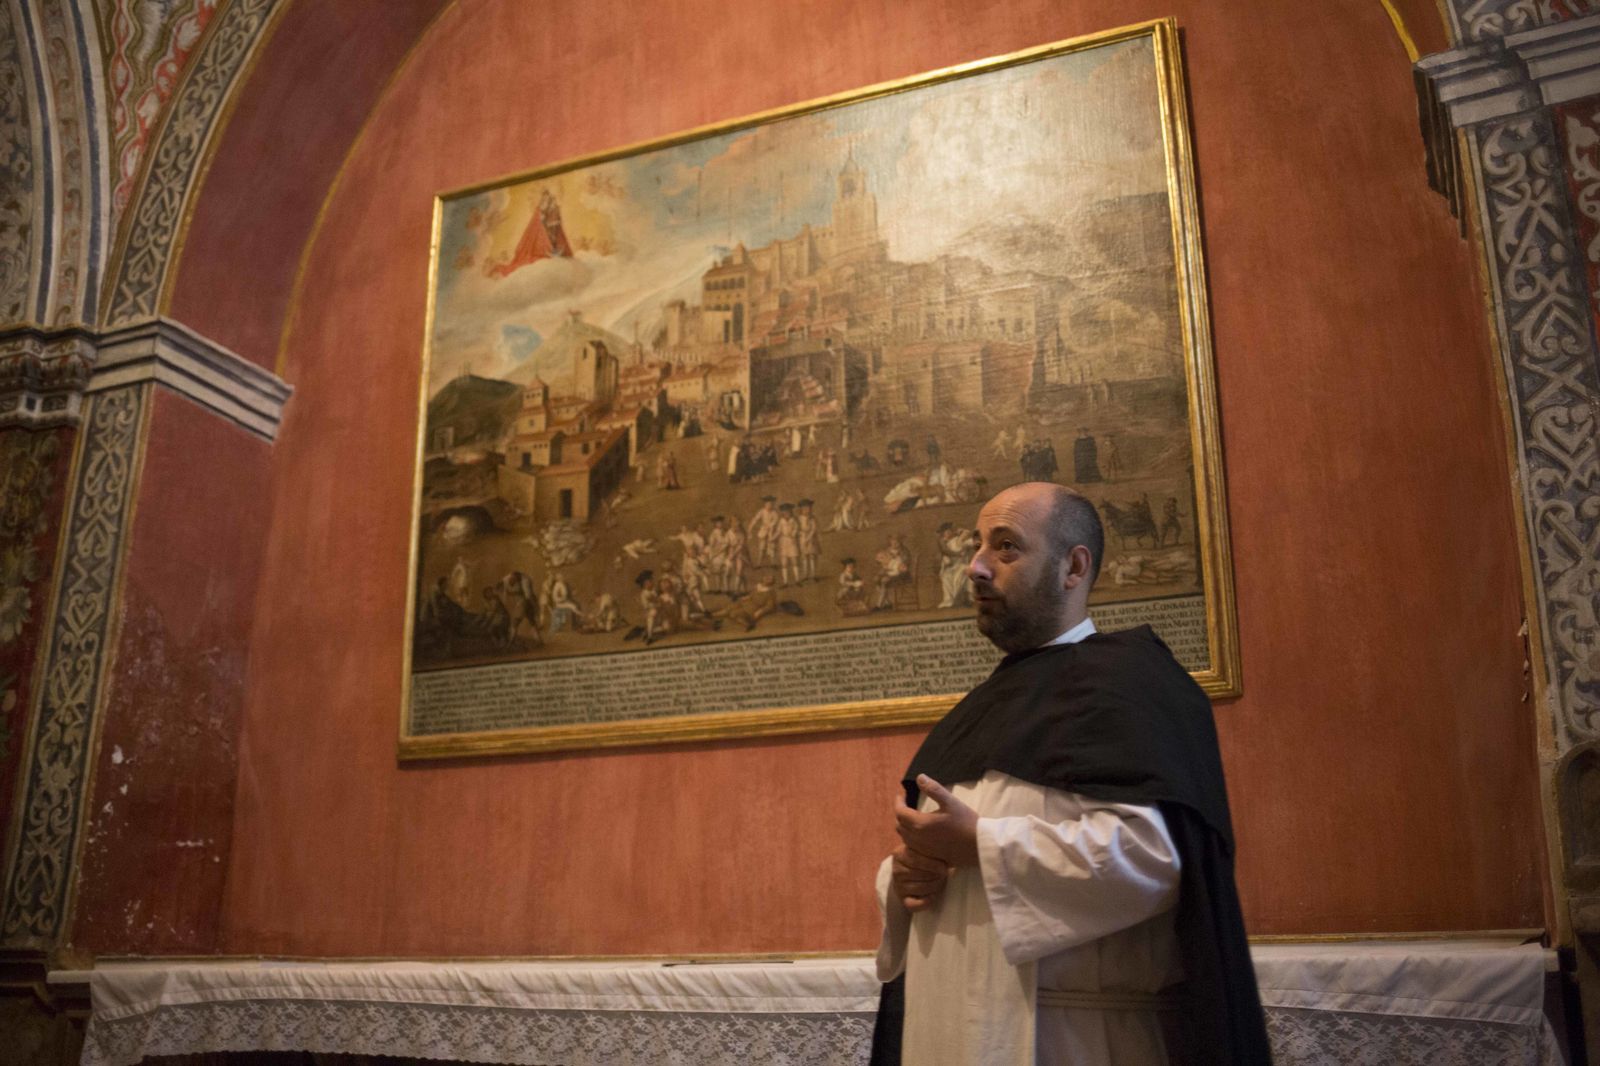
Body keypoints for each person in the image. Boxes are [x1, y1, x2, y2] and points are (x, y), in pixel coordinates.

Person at [869, 482, 1269, 1066]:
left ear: (1073, 566)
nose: (976, 568)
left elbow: (1152, 860)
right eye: (977, 547)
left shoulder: (1132, 683)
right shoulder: (976, 708)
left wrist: (980, 843)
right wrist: (906, 877)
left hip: (1072, 1040)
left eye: (1005, 547)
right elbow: (947, 867)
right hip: (950, 1031)